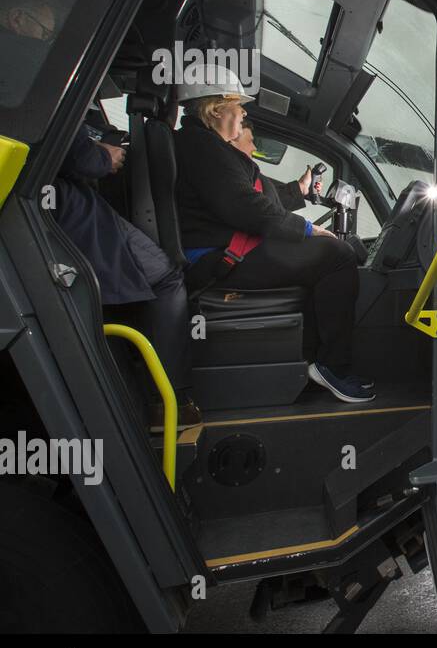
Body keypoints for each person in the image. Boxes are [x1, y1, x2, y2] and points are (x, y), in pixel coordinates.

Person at [173, 66, 374, 403]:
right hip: (216, 258)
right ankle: (333, 366)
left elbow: (254, 198)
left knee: (332, 253)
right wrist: (310, 230)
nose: (243, 113)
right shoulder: (200, 146)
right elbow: (245, 207)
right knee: (337, 257)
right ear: (217, 108)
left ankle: (314, 359)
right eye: (239, 105)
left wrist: (298, 193)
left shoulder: (205, 145)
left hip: (223, 248)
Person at [55, 122, 199, 428]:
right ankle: (167, 399)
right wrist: (104, 157)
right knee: (164, 278)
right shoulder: (47, 88)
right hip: (68, 209)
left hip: (66, 206)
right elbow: (76, 155)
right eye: (240, 115)